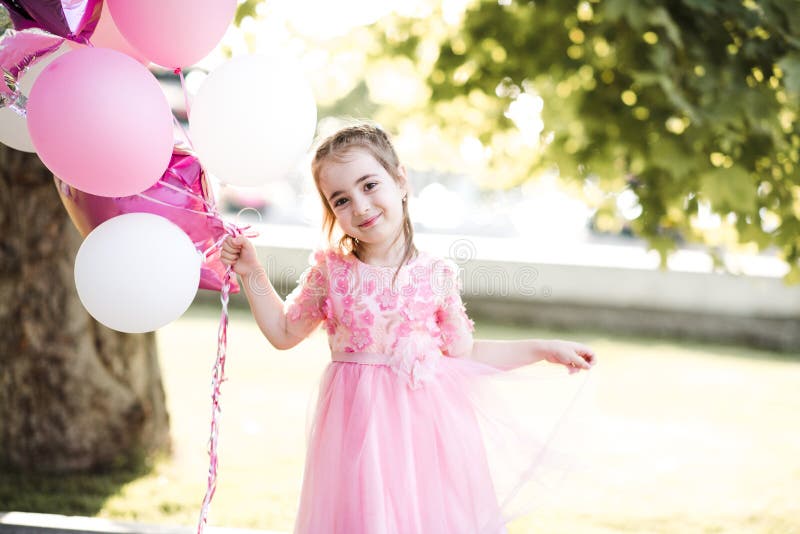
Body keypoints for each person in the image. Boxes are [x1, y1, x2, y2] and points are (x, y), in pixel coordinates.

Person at [221, 123, 597, 534]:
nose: (361, 207)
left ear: (401, 180)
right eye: (341, 200)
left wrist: (542, 348)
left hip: (422, 436)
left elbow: (464, 353)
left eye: (369, 185)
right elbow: (283, 331)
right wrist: (252, 272)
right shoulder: (332, 271)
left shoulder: (435, 275)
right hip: (356, 433)